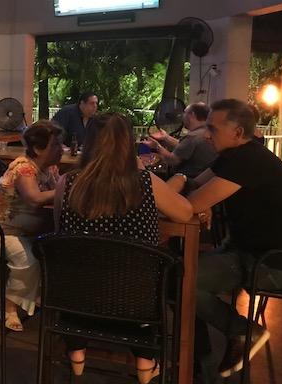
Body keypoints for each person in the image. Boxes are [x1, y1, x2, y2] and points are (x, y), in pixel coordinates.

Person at [54, 112, 193, 383]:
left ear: (90, 142)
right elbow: (185, 213)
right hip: (137, 303)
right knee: (152, 275)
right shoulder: (146, 183)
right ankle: (145, 358)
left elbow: (61, 233)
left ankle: (76, 351)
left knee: (81, 269)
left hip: (77, 299)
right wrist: (180, 180)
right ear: (128, 143)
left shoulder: (67, 183)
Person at [172, 99, 282, 378]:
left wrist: (195, 198)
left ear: (238, 132)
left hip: (269, 263)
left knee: (180, 279)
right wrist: (190, 185)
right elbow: (196, 184)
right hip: (243, 249)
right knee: (181, 273)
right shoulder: (234, 155)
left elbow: (191, 204)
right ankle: (199, 362)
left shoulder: (247, 160)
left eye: (213, 129)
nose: (206, 135)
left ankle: (241, 333)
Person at [0, 120, 62, 332]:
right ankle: (8, 306)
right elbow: (34, 198)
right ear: (38, 148)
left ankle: (34, 295)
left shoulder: (50, 168)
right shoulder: (23, 167)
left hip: (25, 231)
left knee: (56, 250)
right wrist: (67, 189)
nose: (61, 149)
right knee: (27, 259)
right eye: (56, 145)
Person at [142, 102, 217, 178]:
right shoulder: (206, 132)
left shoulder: (193, 136)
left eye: (185, 113)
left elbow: (172, 160)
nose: (182, 116)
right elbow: (185, 148)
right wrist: (166, 137)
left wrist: (157, 146)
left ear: (192, 115)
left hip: (188, 181)